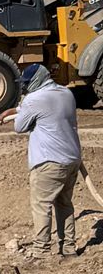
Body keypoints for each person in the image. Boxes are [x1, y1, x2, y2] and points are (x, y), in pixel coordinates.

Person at [6, 66, 84, 258]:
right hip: (72, 159)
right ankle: (68, 249)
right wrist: (18, 109)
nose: (24, 88)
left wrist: (22, 106)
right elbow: (49, 111)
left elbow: (19, 126)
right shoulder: (66, 93)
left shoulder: (34, 99)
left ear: (37, 80)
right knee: (64, 204)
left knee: (42, 205)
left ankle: (41, 251)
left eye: (26, 84)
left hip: (49, 162)